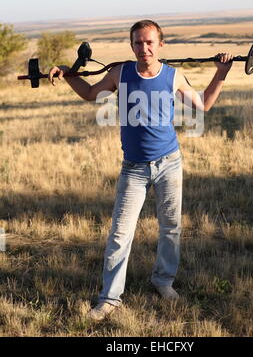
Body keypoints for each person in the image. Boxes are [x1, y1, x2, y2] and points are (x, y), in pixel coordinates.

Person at [48, 19, 233, 321]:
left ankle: (163, 281)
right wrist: (68, 73)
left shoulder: (173, 76)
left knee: (170, 228)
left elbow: (203, 104)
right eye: (138, 42)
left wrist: (221, 73)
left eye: (149, 42)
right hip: (133, 168)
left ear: (161, 45)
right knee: (120, 234)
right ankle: (109, 298)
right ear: (131, 45)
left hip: (169, 164)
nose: (144, 48)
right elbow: (90, 93)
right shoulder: (120, 73)